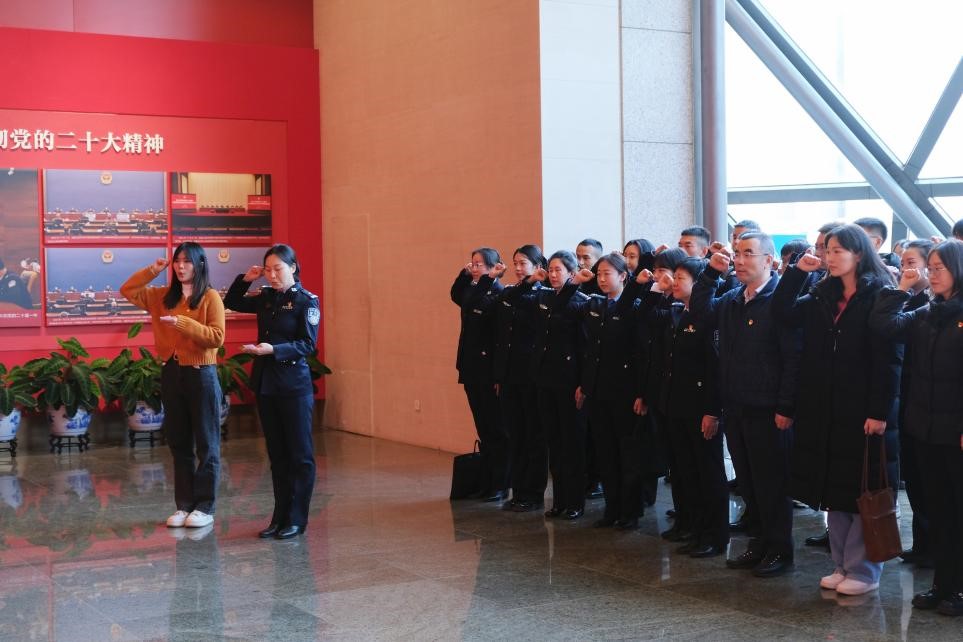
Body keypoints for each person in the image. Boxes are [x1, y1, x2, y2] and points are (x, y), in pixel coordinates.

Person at [773, 224, 901, 596]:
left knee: (862, 490)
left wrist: (879, 411)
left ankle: (865, 570)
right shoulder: (821, 293)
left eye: (837, 251)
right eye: (827, 250)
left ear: (858, 254)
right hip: (825, 408)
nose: (829, 258)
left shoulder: (880, 294)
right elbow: (782, 314)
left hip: (863, 408)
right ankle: (842, 563)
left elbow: (889, 360)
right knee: (835, 488)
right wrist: (797, 273)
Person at [689, 231, 801, 578]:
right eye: (736, 253)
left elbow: (793, 359)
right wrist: (710, 274)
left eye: (748, 253)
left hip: (768, 409)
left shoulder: (780, 300)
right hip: (736, 405)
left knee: (772, 484)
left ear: (769, 260)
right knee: (749, 483)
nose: (738, 260)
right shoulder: (733, 299)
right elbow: (701, 314)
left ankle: (779, 549)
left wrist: (786, 407)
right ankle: (759, 542)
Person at [871, 239, 963, 616]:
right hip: (924, 429)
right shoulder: (928, 312)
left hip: (956, 432)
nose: (932, 274)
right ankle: (943, 585)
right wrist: (901, 289)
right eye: (931, 267)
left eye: (940, 268)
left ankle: (959, 590)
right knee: (938, 512)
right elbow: (883, 326)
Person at [121, 242, 225, 529]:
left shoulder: (210, 297)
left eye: (187, 261)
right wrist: (152, 270)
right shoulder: (162, 296)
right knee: (179, 443)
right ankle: (184, 506)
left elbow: (217, 337)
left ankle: (205, 507)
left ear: (200, 264)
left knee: (207, 443)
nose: (180, 266)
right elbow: (128, 290)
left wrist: (183, 323)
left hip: (201, 374)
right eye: (177, 261)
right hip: (172, 372)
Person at [224, 244, 320, 539]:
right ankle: (279, 517)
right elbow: (233, 302)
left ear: (293, 268)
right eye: (268, 270)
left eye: (278, 269)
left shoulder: (306, 301)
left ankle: (297, 519)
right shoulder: (266, 297)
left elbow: (308, 344)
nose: (273, 275)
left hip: (294, 385)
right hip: (267, 384)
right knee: (277, 455)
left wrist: (274, 350)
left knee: (300, 455)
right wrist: (247, 279)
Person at [650, 257, 728, 557]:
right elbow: (645, 318)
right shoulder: (676, 312)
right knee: (684, 470)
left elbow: (714, 368)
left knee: (707, 472)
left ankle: (714, 535)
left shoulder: (707, 316)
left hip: (699, 407)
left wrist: (712, 411)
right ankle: (692, 526)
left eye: (681, 277)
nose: (674, 282)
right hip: (675, 405)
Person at [508, 250, 590, 519]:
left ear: (572, 273)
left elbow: (584, 347)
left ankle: (575, 501)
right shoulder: (543, 296)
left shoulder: (581, 302)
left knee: (571, 444)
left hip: (569, 381)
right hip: (544, 379)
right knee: (554, 442)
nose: (553, 275)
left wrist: (582, 383)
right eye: (551, 270)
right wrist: (532, 280)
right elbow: (511, 300)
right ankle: (559, 501)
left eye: (559, 270)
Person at [570, 253, 645, 529]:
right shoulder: (595, 304)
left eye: (607, 274)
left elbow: (640, 353)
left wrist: (641, 392)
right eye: (599, 274)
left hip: (625, 391)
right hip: (598, 389)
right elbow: (590, 350)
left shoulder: (634, 306)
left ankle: (630, 512)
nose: (602, 279)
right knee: (605, 452)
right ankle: (612, 509)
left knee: (628, 454)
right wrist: (585, 384)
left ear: (623, 276)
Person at [886, 239, 935, 568]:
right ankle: (922, 544)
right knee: (916, 480)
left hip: (929, 404)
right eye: (903, 262)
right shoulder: (907, 301)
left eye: (912, 262)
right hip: (907, 400)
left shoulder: (934, 307)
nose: (906, 269)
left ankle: (935, 549)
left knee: (932, 484)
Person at [450, 248, 510, 502]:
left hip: (488, 371)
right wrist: (464, 275)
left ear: (494, 267)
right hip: (471, 368)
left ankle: (501, 483)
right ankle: (488, 479)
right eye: (472, 264)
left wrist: (498, 376)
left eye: (479, 265)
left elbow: (498, 336)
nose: (474, 268)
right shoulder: (474, 290)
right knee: (483, 427)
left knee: (496, 429)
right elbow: (457, 296)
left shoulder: (497, 293)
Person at [494, 245, 548, 512]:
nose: (517, 268)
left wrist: (531, 283)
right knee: (515, 434)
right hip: (510, 374)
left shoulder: (543, 294)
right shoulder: (511, 291)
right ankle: (519, 490)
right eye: (515, 263)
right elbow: (506, 307)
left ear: (538, 266)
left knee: (533, 435)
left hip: (531, 375)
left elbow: (526, 305)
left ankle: (533, 493)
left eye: (523, 263)